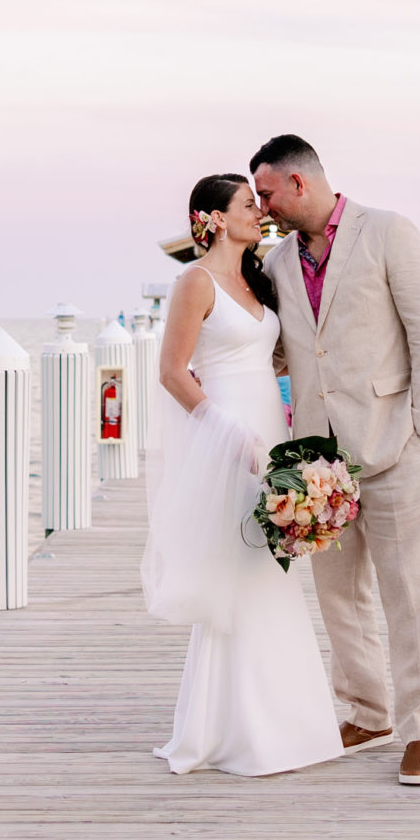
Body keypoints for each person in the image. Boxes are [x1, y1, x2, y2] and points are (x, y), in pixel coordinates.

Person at [250, 134, 420, 786]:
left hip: (395, 443)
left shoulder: (390, 233)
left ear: (298, 183)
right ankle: (368, 712)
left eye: (267, 193)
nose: (263, 206)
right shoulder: (279, 260)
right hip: (314, 455)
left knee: (411, 593)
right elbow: (286, 349)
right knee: (338, 596)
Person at [141, 173, 345, 777]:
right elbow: (173, 372)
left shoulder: (256, 278)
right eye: (248, 205)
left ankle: (291, 722)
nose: (261, 212)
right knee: (242, 569)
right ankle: (236, 729)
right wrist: (229, 435)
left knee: (271, 570)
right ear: (215, 218)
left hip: (270, 433)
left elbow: (273, 355)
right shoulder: (194, 281)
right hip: (227, 439)